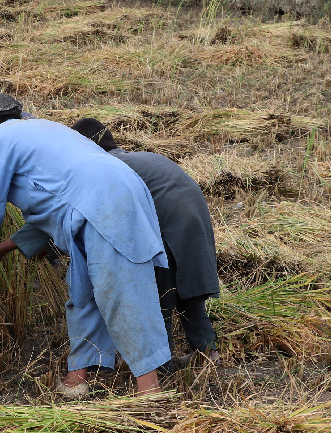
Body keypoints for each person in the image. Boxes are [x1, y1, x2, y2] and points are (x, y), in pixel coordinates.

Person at [0, 93, 171, 395]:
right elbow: (50, 212)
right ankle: (77, 379)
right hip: (111, 191)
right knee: (82, 290)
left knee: (122, 288)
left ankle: (149, 391)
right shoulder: (44, 129)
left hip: (103, 200)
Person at [71, 118, 220, 368]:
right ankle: (208, 353)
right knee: (188, 291)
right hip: (194, 220)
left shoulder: (108, 167)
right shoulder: (141, 157)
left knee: (160, 295)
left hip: (169, 223)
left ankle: (162, 364)